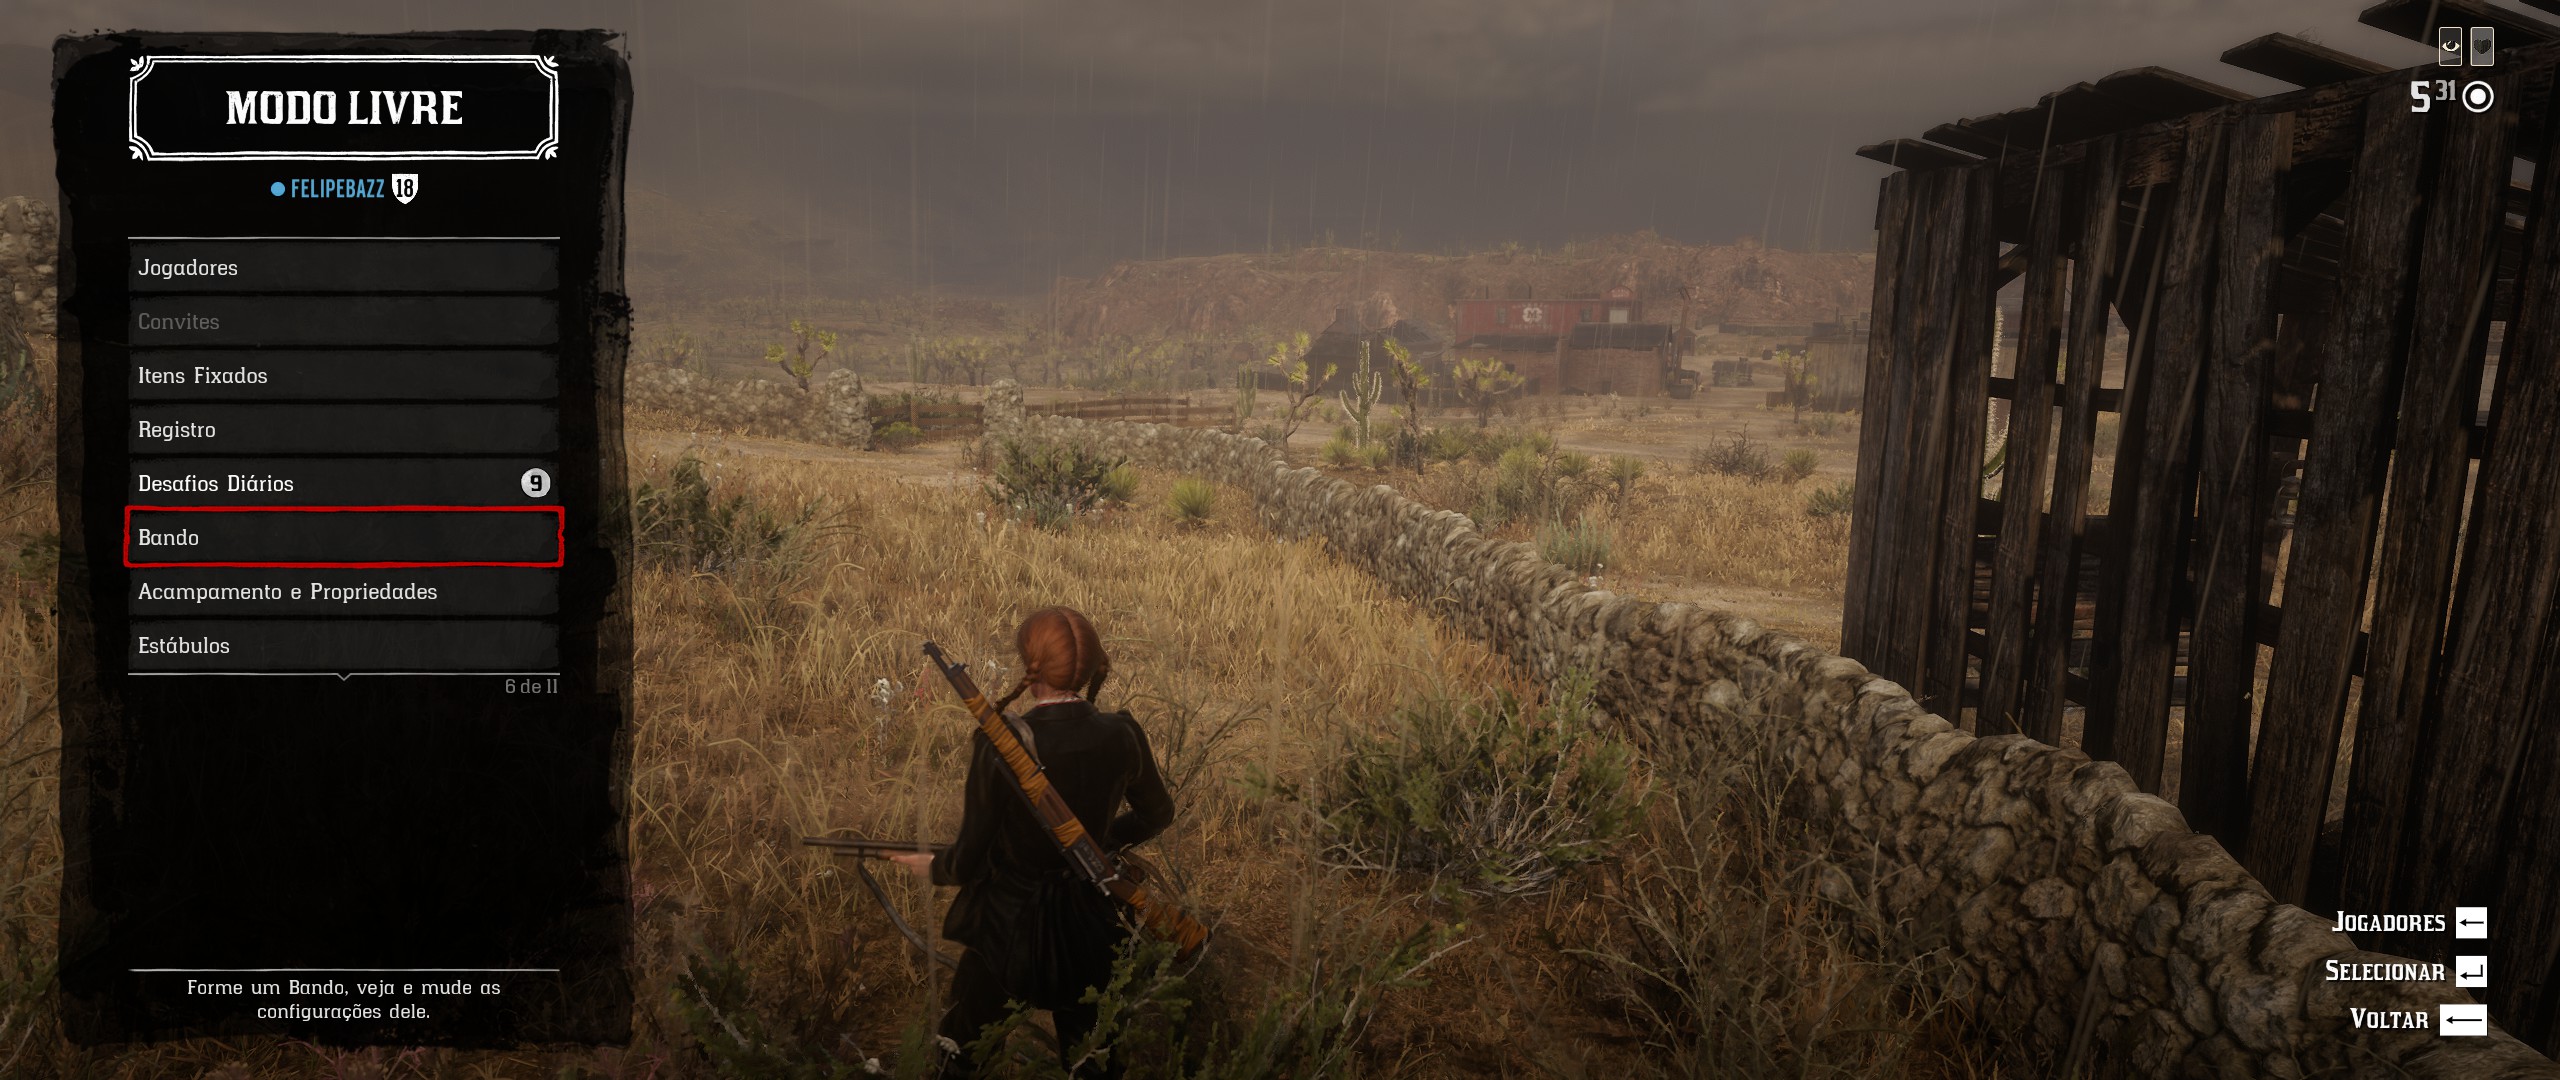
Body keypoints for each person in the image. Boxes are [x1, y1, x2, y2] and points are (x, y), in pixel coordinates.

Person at [889, 606, 1176, 1077]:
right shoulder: (1123, 733)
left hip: (1007, 927)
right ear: (1087, 669)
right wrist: (1097, 848)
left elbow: (966, 860)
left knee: (963, 1051)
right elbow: (1158, 814)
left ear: (1030, 664)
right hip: (1091, 919)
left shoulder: (1000, 742)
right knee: (1093, 1059)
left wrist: (932, 865)